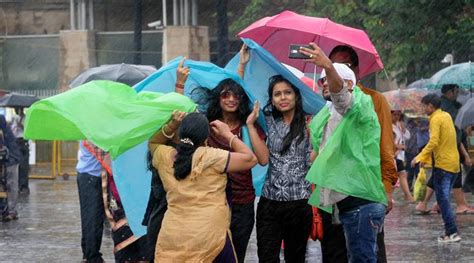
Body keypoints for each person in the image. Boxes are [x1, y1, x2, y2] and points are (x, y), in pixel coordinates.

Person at [174, 52, 267, 263]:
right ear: (218, 97)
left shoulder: (247, 126)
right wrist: (180, 85)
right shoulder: (207, 125)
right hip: (211, 202)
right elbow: (180, 119)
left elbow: (262, 160)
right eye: (225, 95)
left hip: (242, 203)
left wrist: (250, 125)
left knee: (236, 256)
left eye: (236, 96)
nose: (232, 99)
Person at [301, 44, 387, 262]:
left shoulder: (360, 103)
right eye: (323, 80)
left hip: (361, 202)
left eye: (332, 78)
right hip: (343, 204)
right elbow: (318, 155)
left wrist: (329, 66)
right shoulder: (325, 115)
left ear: (350, 83)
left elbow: (343, 99)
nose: (327, 83)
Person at [149, 111, 257, 262]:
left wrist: (172, 124)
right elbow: (250, 159)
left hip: (174, 234)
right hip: (210, 234)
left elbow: (153, 142)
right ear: (206, 138)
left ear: (180, 134)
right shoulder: (212, 156)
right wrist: (227, 134)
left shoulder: (165, 156)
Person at [243, 71, 314, 262]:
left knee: (296, 258)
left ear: (296, 96)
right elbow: (264, 159)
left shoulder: (311, 122)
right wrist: (250, 126)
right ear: (272, 100)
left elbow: (313, 161)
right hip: (270, 203)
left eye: (287, 92)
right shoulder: (268, 120)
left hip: (300, 202)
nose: (283, 97)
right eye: (277, 94)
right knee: (266, 257)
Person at [411, 94, 461, 242]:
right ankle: (448, 232)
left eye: (424, 106)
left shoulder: (435, 119)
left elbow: (434, 142)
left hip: (443, 166)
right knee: (443, 200)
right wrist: (426, 160)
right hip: (454, 165)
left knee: (443, 199)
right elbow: (443, 142)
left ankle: (452, 232)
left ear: (431, 106)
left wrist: (419, 157)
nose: (423, 109)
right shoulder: (446, 116)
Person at [76, 140, 105, 262]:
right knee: (93, 218)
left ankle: (88, 252)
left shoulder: (89, 127)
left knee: (90, 217)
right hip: (90, 178)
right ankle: (92, 255)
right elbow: (102, 153)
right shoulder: (91, 132)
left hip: (89, 176)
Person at [0, 115, 21, 222]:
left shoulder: (1, 121)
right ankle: (6, 209)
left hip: (10, 158)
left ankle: (11, 210)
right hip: (7, 157)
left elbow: (8, 141)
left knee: (11, 184)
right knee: (7, 185)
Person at [392, 109, 414, 201]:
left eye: (398, 115)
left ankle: (407, 196)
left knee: (400, 175)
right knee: (401, 174)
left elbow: (407, 136)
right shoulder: (387, 126)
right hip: (393, 154)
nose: (396, 117)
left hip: (399, 155)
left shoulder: (399, 125)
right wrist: (398, 146)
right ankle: (408, 196)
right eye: (394, 114)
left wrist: (403, 128)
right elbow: (386, 141)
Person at [11, 107, 30, 194]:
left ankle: (24, 185)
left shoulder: (26, 118)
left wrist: (20, 124)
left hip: (23, 141)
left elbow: (26, 129)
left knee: (24, 165)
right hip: (15, 141)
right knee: (17, 165)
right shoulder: (14, 118)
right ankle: (18, 184)